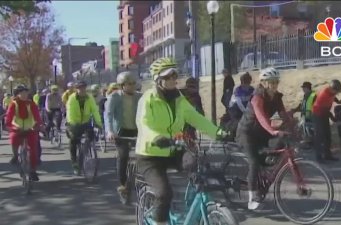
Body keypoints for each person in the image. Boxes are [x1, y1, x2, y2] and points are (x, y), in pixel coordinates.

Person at [135, 57, 228, 225]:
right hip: (150, 155)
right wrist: (156, 138)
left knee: (196, 165)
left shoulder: (179, 99)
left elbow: (196, 118)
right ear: (157, 79)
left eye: (174, 76)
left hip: (172, 149)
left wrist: (218, 132)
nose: (172, 80)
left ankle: (192, 206)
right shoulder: (147, 99)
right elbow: (143, 125)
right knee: (164, 193)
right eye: (167, 77)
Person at [235, 67, 291, 210]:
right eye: (271, 82)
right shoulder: (257, 97)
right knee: (254, 162)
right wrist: (273, 130)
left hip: (260, 132)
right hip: (246, 133)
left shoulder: (277, 97)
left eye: (276, 82)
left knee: (279, 145)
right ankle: (252, 197)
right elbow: (261, 117)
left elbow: (284, 114)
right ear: (264, 83)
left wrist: (294, 129)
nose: (274, 85)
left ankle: (264, 172)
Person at [105, 71, 142, 202]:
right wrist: (110, 131)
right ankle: (122, 185)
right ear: (122, 85)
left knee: (145, 154)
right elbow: (108, 115)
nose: (132, 86)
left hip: (137, 130)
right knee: (123, 155)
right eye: (129, 84)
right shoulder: (115, 97)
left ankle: (143, 180)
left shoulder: (140, 97)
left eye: (133, 83)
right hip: (121, 132)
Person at [6, 85, 43, 181]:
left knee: (33, 151)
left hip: (30, 129)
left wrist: (38, 125)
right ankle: (15, 156)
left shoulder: (31, 104)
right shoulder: (14, 104)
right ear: (18, 94)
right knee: (14, 138)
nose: (24, 94)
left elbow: (37, 116)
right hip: (17, 128)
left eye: (26, 92)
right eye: (22, 92)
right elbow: (9, 118)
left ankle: (32, 170)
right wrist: (12, 127)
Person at [66, 81, 102, 175]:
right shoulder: (72, 98)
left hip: (86, 122)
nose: (82, 89)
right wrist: (73, 123)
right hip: (74, 122)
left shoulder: (89, 97)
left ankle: (87, 151)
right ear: (76, 89)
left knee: (91, 136)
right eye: (79, 88)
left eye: (83, 87)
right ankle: (74, 162)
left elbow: (94, 110)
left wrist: (99, 123)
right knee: (73, 140)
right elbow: (70, 112)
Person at [312, 79, 341, 163]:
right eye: (336, 91)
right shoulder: (324, 95)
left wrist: (338, 101)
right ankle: (319, 157)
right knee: (319, 136)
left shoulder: (331, 92)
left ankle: (327, 155)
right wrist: (334, 119)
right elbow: (326, 111)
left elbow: (333, 97)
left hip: (324, 113)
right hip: (318, 114)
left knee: (327, 135)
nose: (336, 93)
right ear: (332, 89)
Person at [290, 81, 317, 146]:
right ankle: (310, 142)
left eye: (304, 88)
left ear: (307, 88)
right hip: (306, 116)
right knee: (305, 129)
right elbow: (302, 105)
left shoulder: (314, 95)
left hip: (312, 117)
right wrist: (295, 110)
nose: (303, 89)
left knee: (310, 130)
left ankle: (313, 142)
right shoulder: (306, 95)